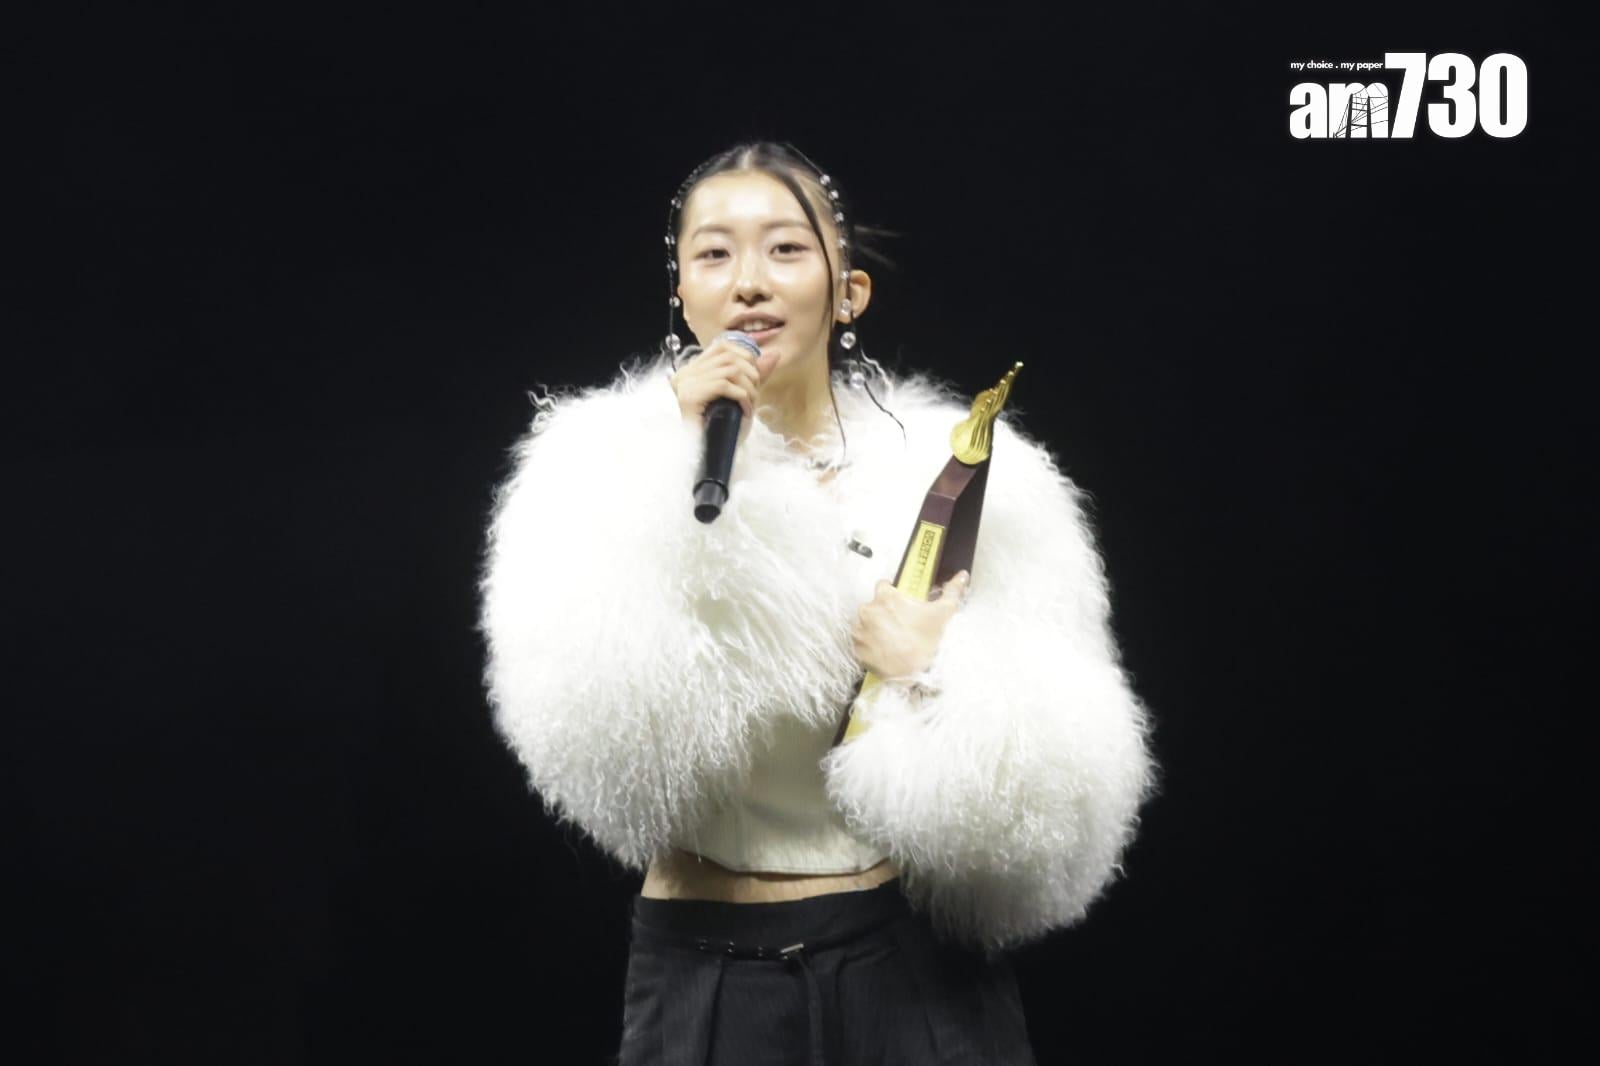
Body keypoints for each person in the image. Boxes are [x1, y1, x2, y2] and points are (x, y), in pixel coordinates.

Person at [477, 141, 1158, 1065]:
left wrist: (936, 672)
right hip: (709, 970)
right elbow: (598, 747)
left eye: (786, 249)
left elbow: (1069, 791)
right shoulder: (594, 473)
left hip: (914, 970)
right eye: (714, 254)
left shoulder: (963, 475)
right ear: (682, 293)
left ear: (849, 294)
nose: (749, 281)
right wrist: (667, 470)